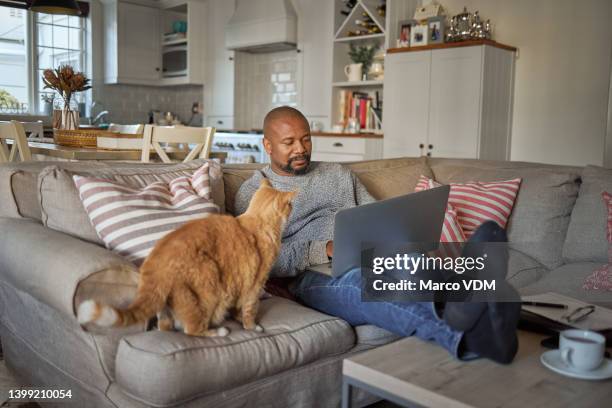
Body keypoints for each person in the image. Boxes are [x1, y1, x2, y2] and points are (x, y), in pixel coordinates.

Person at [235, 106, 521, 364]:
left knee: (412, 262)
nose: (301, 148)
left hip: (370, 254)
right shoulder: (255, 191)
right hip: (312, 276)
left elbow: (375, 213)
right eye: (289, 142)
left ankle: (469, 289)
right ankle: (469, 335)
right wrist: (324, 249)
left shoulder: (337, 174)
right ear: (268, 145)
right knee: (366, 286)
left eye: (306, 138)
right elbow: (259, 258)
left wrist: (398, 234)